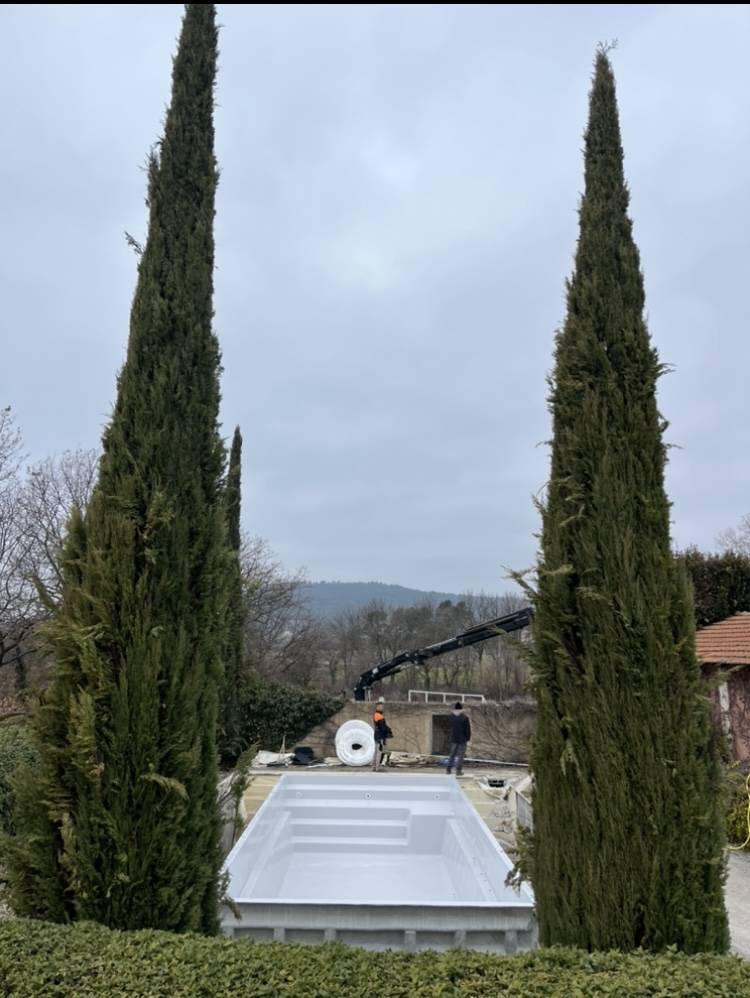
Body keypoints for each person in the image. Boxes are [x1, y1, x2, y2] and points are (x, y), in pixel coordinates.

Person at [446, 702, 471, 776]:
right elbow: (467, 729)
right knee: (460, 756)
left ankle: (448, 769)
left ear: (454, 708)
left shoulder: (451, 717)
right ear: (461, 709)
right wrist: (468, 738)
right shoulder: (464, 718)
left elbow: (449, 728)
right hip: (462, 739)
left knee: (452, 754)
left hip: (453, 738)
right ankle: (458, 771)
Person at [372, 698, 393, 771]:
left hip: (377, 735)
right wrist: (387, 733)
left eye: (382, 706)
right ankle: (377, 767)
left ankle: (374, 767)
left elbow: (383, 726)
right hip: (379, 736)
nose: (382, 708)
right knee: (379, 751)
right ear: (377, 707)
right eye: (380, 706)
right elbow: (382, 727)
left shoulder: (377, 715)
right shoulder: (378, 715)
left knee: (376, 751)